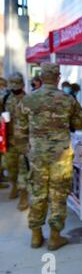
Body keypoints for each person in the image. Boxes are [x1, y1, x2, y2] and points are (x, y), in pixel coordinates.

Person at [18, 63, 82, 250]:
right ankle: (55, 237)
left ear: (41, 77)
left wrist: (28, 152)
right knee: (58, 194)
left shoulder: (28, 100)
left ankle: (36, 236)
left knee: (38, 193)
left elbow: (19, 131)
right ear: (58, 78)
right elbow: (79, 124)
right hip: (60, 156)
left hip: (37, 155)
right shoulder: (68, 99)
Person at [4, 73, 30, 210]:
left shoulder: (29, 99)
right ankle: (13, 185)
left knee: (23, 169)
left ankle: (23, 196)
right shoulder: (5, 98)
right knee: (10, 167)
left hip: (25, 141)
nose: (15, 89)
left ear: (22, 85)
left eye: (17, 86)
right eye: (12, 86)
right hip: (10, 140)